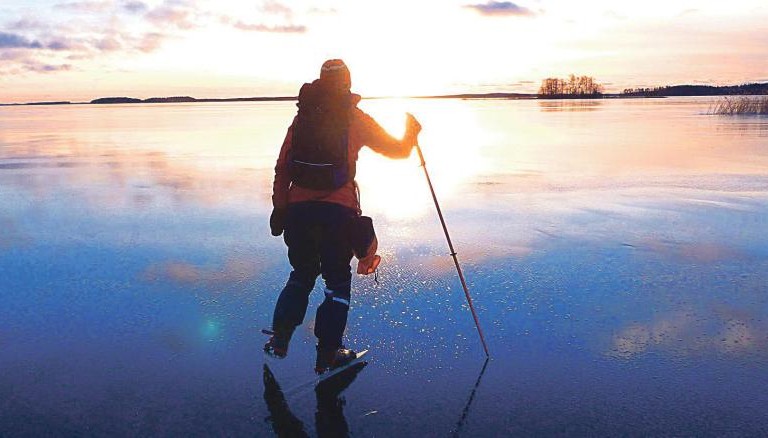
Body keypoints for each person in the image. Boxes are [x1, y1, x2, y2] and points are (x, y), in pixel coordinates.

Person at [265, 59, 422, 373]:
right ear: (347, 83)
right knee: (337, 284)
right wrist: (411, 134)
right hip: (338, 215)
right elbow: (397, 150)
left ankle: (280, 340)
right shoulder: (354, 118)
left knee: (301, 275)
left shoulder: (301, 119)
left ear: (320, 81)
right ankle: (328, 353)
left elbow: (283, 167)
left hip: (298, 213)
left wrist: (280, 209)